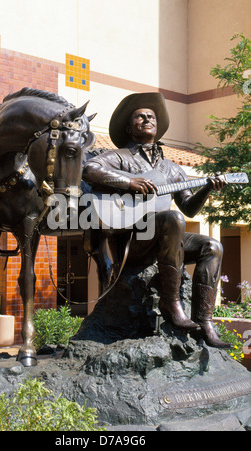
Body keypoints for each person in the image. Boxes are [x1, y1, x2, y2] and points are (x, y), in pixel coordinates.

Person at [82, 92, 232, 348]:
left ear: (157, 127)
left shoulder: (173, 169)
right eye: (139, 116)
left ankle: (204, 321)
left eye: (151, 116)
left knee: (213, 246)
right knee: (171, 218)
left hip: (164, 238)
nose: (146, 119)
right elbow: (90, 169)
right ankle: (171, 303)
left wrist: (207, 188)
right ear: (129, 127)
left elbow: (189, 208)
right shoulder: (119, 157)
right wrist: (129, 182)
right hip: (133, 239)